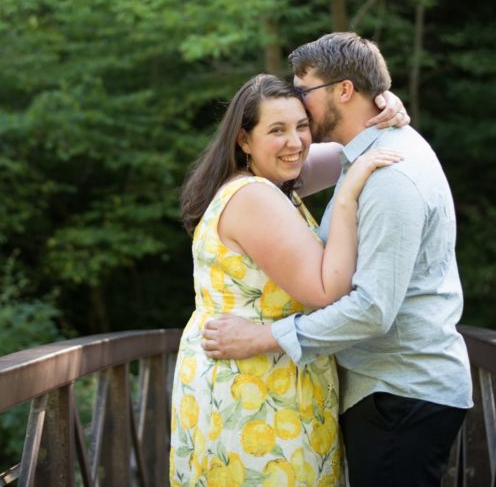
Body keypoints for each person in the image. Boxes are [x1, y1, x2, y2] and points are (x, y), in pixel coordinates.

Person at [202, 33, 473, 487]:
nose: (298, 105)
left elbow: (371, 309)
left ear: (344, 90)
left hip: (400, 394)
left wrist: (263, 338)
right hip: (388, 391)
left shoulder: (389, 175)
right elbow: (285, 169)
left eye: (303, 92)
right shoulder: (364, 154)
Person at [169, 73, 408, 487]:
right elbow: (324, 290)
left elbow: (353, 146)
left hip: (256, 375)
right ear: (244, 139)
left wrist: (388, 107)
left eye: (301, 126)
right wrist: (348, 197)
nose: (295, 142)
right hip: (256, 389)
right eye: (276, 130)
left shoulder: (269, 180)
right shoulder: (255, 197)